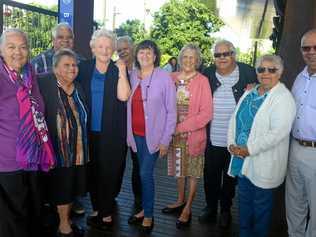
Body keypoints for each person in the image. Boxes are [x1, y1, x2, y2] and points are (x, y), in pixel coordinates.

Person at [227, 55, 296, 237]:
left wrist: (249, 149)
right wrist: (231, 144)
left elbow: (277, 133)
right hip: (242, 161)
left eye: (271, 69)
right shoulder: (250, 92)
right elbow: (234, 120)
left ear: (279, 73)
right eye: (261, 69)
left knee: (260, 213)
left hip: (264, 164)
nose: (265, 73)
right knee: (244, 208)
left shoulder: (283, 98)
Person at [0, 28, 55, 237]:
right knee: (12, 221)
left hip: (33, 157)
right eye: (11, 47)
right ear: (1, 50)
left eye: (23, 47)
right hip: (7, 163)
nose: (18, 52)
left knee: (33, 213)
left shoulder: (29, 73)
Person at [76, 29, 130, 230]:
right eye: (100, 46)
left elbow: (124, 96)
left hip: (112, 133)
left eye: (109, 47)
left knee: (109, 171)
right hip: (89, 131)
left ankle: (106, 213)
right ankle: (98, 208)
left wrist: (123, 72)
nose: (105, 50)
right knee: (93, 171)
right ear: (93, 48)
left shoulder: (118, 70)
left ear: (113, 49)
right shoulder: (84, 68)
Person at [199, 40, 257, 227]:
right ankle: (210, 207)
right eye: (218, 55)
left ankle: (225, 209)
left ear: (234, 54)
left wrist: (254, 89)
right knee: (210, 175)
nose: (222, 58)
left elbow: (263, 91)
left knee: (231, 176)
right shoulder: (207, 74)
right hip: (213, 137)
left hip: (236, 139)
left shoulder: (248, 72)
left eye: (226, 54)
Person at [127, 40, 177, 233]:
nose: (145, 56)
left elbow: (172, 112)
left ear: (155, 56)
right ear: (137, 55)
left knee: (145, 174)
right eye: (141, 52)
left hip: (154, 138)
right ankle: (142, 210)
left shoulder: (164, 78)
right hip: (135, 136)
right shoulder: (132, 75)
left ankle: (148, 214)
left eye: (149, 53)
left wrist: (166, 140)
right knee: (141, 173)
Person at [38, 49, 88, 237]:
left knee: (71, 187)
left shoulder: (78, 87)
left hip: (79, 150)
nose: (72, 68)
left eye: (74, 65)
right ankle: (64, 226)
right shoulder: (45, 84)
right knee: (62, 187)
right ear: (55, 68)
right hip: (57, 151)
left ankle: (65, 220)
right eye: (66, 65)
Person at [161, 44, 212, 229]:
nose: (188, 60)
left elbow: (206, 114)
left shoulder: (203, 81)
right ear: (180, 59)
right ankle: (179, 200)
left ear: (197, 60)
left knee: (192, 172)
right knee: (179, 169)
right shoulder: (170, 77)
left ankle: (188, 207)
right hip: (174, 136)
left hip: (193, 136)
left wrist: (180, 127)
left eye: (192, 57)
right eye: (185, 57)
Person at [286, 29, 316, 237]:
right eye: (306, 48)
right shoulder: (300, 77)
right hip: (295, 148)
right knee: (294, 204)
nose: (311, 52)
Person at [117, 36, 142, 212]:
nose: (122, 52)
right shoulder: (115, 68)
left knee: (138, 163)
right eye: (119, 50)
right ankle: (112, 194)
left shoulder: (143, 69)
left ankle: (139, 198)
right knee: (117, 162)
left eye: (125, 48)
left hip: (138, 125)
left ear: (133, 48)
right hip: (119, 125)